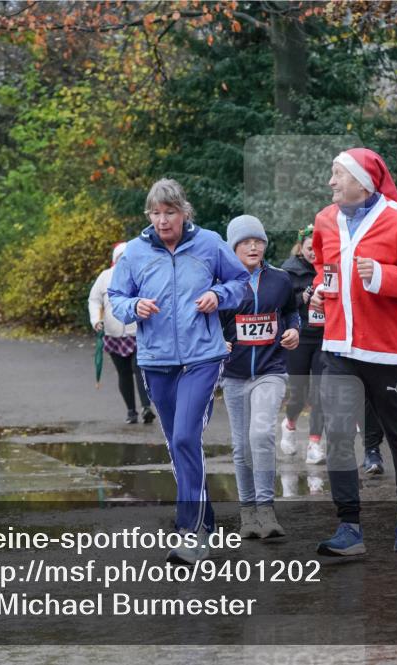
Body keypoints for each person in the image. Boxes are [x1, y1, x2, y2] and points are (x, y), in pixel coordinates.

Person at [108, 178, 248, 564]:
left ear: (184, 213)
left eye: (169, 212)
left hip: (202, 357)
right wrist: (133, 306)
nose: (162, 220)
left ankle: (190, 531)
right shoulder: (135, 252)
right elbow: (116, 298)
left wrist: (217, 296)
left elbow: (241, 283)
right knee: (178, 445)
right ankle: (207, 522)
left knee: (186, 437)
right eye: (155, 213)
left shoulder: (209, 243)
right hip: (156, 360)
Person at [309, 148, 397, 555]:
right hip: (338, 345)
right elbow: (323, 268)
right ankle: (349, 527)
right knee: (340, 434)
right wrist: (320, 291)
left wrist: (380, 275)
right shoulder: (325, 220)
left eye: (337, 174)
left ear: (363, 181)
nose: (331, 182)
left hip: (384, 348)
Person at [219, 215, 300, 539]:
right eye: (245, 241)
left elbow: (293, 311)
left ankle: (266, 510)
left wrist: (294, 329)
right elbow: (208, 319)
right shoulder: (222, 282)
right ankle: (248, 513)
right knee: (241, 445)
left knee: (261, 434)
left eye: (258, 241)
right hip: (235, 374)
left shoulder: (280, 280)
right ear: (233, 247)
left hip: (270, 370)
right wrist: (215, 342)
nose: (253, 246)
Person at [88, 242, 155, 424]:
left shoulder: (141, 275)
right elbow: (94, 300)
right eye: (121, 257)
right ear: (115, 260)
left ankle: (146, 407)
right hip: (113, 334)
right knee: (123, 373)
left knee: (139, 368)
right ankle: (131, 411)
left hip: (137, 333)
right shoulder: (105, 277)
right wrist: (96, 320)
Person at [280, 224, 326, 464]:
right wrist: (302, 298)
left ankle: (314, 444)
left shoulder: (330, 268)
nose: (314, 253)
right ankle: (289, 425)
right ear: (301, 247)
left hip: (323, 337)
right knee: (299, 394)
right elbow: (281, 305)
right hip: (299, 337)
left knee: (320, 394)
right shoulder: (289, 271)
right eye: (310, 248)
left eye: (317, 248)